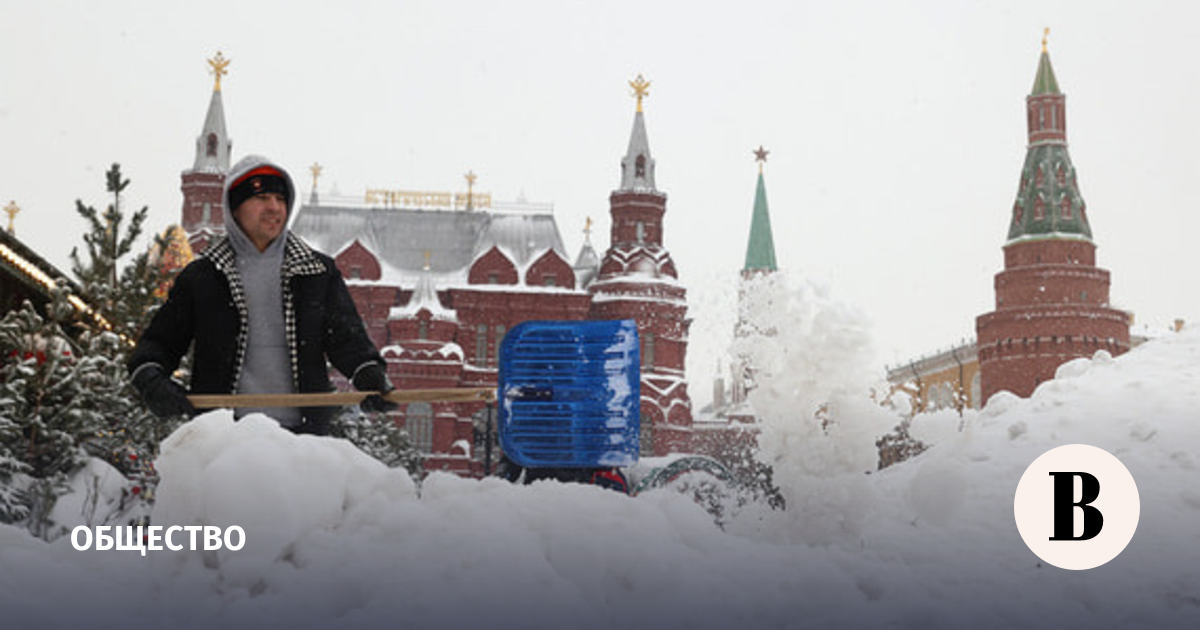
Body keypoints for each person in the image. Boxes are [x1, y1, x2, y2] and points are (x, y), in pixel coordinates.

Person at [128, 155, 394, 434]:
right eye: (261, 197)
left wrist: (368, 373)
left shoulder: (316, 272)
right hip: (223, 436)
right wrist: (150, 377)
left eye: (280, 199)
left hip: (303, 437)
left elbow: (346, 337)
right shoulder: (204, 276)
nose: (274, 207)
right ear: (235, 208)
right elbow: (161, 341)